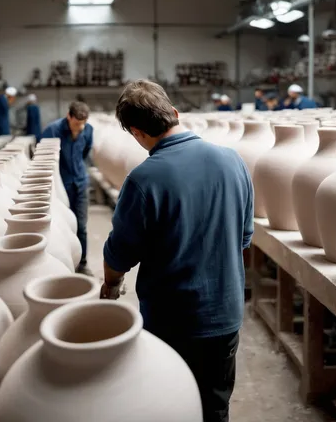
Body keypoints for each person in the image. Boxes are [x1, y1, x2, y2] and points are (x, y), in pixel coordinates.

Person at [101, 80, 254, 422]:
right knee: (215, 407)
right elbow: (244, 238)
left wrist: (111, 284)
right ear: (174, 112)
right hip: (225, 316)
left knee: (172, 405)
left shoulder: (143, 180)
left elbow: (119, 255)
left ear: (137, 133)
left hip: (173, 323)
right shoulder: (233, 161)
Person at [42, 101, 93, 275]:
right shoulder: (52, 131)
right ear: (68, 116)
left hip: (80, 182)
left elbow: (86, 152)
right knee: (61, 225)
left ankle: (83, 264)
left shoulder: (88, 129)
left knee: (81, 225)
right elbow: (44, 160)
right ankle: (65, 263)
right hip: (60, 186)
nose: (80, 127)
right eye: (76, 123)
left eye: (83, 124)